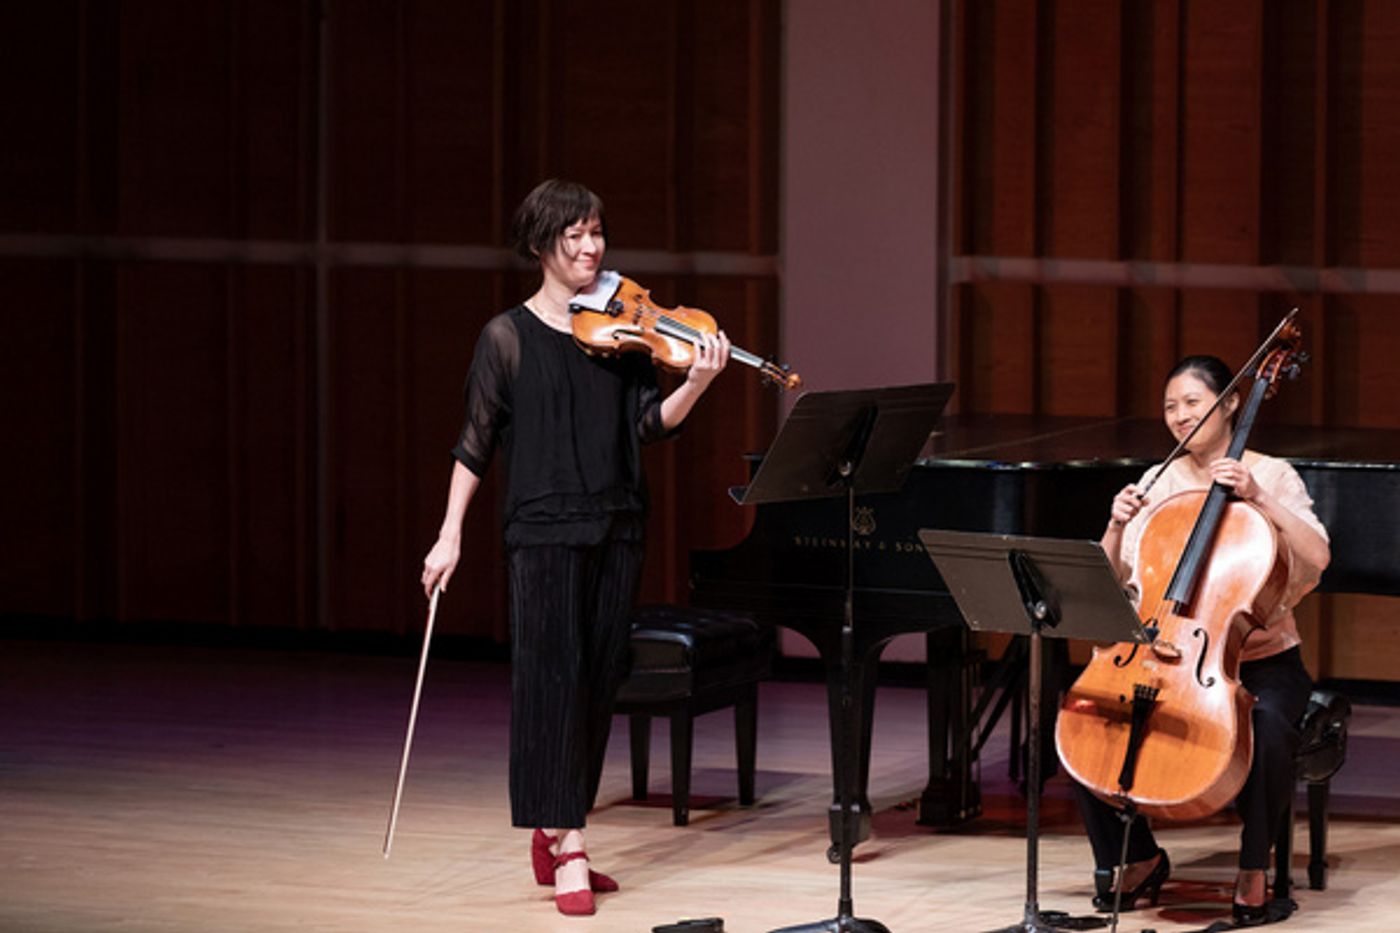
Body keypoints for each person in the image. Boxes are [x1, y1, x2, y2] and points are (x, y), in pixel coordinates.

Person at [419, 179, 729, 916]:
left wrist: (697, 382)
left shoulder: (621, 333)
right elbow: (474, 444)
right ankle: (572, 847)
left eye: (597, 233)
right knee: (550, 680)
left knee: (597, 681)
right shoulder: (505, 338)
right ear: (540, 245)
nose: (591, 248)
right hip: (541, 531)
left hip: (617, 522)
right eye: (575, 236)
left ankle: (556, 827)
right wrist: (449, 533)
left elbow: (649, 426)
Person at [1075, 354, 1330, 925]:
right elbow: (1112, 583)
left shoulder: (1271, 474)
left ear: (1231, 402)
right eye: (1170, 406)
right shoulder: (1158, 480)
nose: (1180, 415)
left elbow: (1318, 557)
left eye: (1193, 402)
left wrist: (1258, 497)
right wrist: (1115, 525)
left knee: (1267, 729)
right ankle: (1138, 859)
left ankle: (1253, 868)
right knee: (1084, 716)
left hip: (1261, 661)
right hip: (1164, 655)